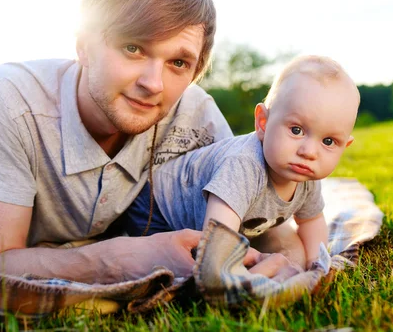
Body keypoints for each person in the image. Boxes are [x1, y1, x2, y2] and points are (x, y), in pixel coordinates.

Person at [0, 0, 263, 284]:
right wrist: (122, 258)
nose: (153, 84)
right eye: (133, 47)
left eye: (178, 62)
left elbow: (267, 223)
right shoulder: (5, 98)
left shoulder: (198, 114)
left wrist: (283, 262)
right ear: (83, 46)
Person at [126, 55, 360, 271]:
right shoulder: (243, 166)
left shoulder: (306, 174)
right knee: (177, 266)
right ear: (263, 123)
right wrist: (228, 269)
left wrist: (317, 265)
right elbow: (218, 235)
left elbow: (311, 220)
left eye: (328, 141)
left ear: (344, 146)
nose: (309, 151)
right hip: (156, 209)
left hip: (209, 217)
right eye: (296, 130)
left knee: (291, 259)